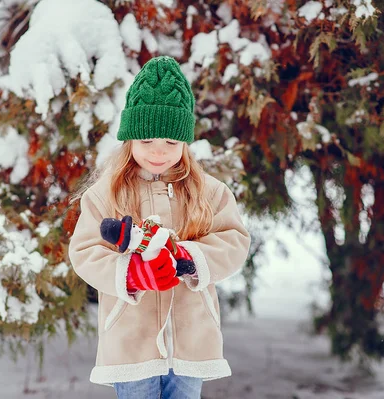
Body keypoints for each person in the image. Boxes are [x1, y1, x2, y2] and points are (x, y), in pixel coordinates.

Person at [67, 55, 251, 399]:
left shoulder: (209, 191)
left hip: (192, 334)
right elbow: (85, 251)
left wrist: (189, 257)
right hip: (130, 334)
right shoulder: (105, 194)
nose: (158, 152)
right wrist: (132, 273)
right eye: (147, 140)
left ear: (185, 142)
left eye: (171, 142)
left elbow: (233, 240)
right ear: (130, 138)